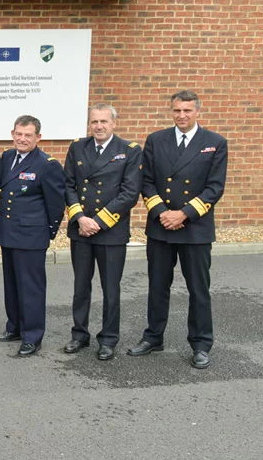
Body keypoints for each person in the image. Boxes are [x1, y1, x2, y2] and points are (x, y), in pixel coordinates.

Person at [129, 90, 227, 370]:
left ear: (198, 112)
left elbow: (215, 187)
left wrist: (183, 213)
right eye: (176, 111)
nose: (181, 116)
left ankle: (200, 344)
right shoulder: (156, 140)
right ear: (171, 112)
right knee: (158, 286)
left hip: (195, 228)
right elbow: (146, 182)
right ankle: (153, 337)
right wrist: (163, 213)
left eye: (187, 111)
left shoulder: (215, 142)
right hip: (161, 226)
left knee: (199, 289)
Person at [62, 104, 143, 361]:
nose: (98, 126)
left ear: (114, 123)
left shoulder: (129, 151)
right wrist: (80, 218)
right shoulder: (78, 147)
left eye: (104, 121)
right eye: (94, 121)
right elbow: (68, 185)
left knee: (111, 288)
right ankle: (79, 334)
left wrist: (97, 221)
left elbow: (130, 193)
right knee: (80, 286)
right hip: (81, 230)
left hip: (110, 231)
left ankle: (108, 339)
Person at [0, 115, 65, 357]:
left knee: (31, 288)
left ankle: (32, 336)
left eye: (28, 135)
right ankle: (14, 327)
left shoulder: (47, 164)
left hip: (31, 236)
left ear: (38, 137)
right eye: (19, 134)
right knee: (12, 285)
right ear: (12, 134)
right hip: (8, 232)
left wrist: (48, 233)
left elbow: (56, 204)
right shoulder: (7, 158)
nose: (22, 139)